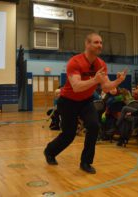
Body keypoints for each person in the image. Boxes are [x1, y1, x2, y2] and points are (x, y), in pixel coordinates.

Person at [44, 33, 127, 174]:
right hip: (68, 101)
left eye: (101, 42)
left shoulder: (101, 64)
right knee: (69, 135)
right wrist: (95, 80)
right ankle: (50, 151)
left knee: (94, 126)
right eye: (96, 42)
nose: (100, 45)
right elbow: (76, 87)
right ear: (87, 44)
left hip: (86, 101)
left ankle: (86, 162)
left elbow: (106, 87)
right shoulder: (75, 62)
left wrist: (118, 81)